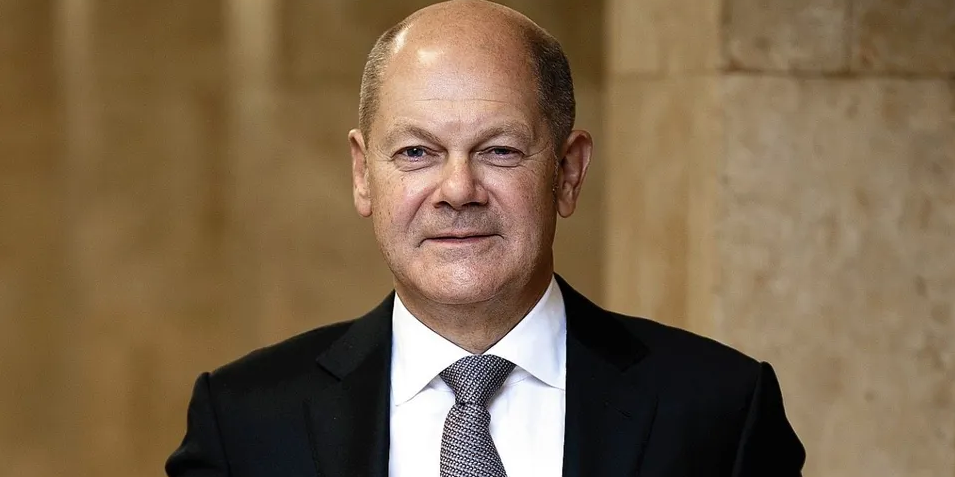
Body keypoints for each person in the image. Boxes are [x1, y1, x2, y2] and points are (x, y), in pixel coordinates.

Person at [165, 1, 805, 475]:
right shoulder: (243, 422)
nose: (458, 189)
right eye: (417, 152)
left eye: (499, 150)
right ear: (363, 175)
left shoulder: (720, 412)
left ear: (567, 173)